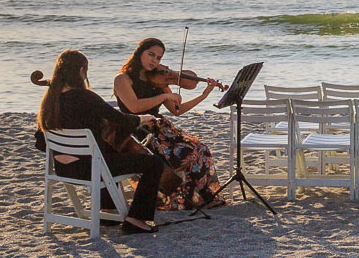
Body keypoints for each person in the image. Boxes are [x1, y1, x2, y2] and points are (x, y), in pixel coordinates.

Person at [35, 50, 166, 234]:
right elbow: (120, 119)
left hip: (63, 169)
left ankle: (108, 210)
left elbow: (41, 143)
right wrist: (143, 118)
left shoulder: (49, 101)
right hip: (90, 169)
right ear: (81, 71)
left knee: (105, 151)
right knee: (154, 163)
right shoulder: (86, 97)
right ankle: (136, 219)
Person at [113, 37, 224, 210]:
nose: (155, 61)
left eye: (158, 58)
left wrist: (204, 95)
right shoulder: (123, 79)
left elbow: (177, 110)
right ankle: (174, 199)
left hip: (161, 129)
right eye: (151, 55)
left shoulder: (158, 80)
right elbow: (134, 107)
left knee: (201, 149)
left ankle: (199, 198)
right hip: (137, 132)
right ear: (139, 53)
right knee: (182, 155)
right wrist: (165, 96)